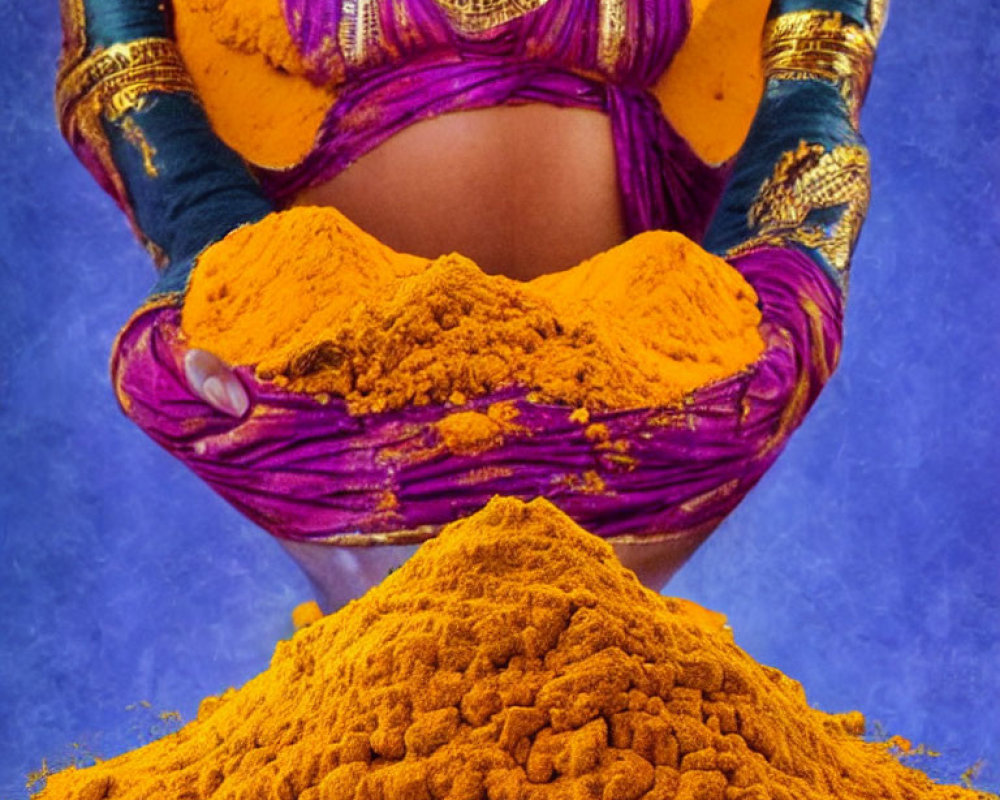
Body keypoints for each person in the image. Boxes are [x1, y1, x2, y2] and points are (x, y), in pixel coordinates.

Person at [56, 0, 885, 610]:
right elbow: (127, 69)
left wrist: (784, 267)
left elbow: (811, 79)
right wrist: (221, 262)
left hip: (646, 409)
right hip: (329, 409)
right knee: (392, 721)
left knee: (598, 717)